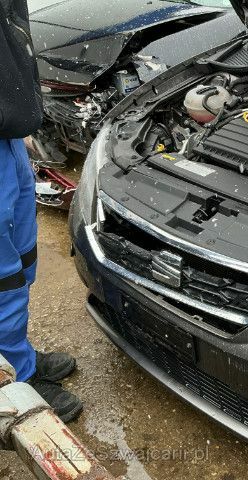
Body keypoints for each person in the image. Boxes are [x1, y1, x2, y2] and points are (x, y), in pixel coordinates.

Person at [1, 0, 82, 422]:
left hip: (6, 136)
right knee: (2, 278)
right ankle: (16, 380)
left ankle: (18, 354)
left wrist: (20, 121)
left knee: (22, 256)